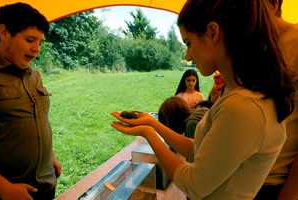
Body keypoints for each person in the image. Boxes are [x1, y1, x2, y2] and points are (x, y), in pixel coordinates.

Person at [111, 0, 296, 199]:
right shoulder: (237, 94)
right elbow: (198, 150)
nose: (188, 56)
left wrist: (150, 133)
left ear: (212, 33)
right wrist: (151, 125)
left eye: (189, 43)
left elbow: (193, 184)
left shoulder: (243, 106)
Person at [0, 3, 61, 200]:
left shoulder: (34, 75)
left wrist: (50, 157)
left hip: (45, 185)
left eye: (40, 42)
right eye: (30, 40)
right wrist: (5, 190)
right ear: (3, 32)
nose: (36, 49)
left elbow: (39, 119)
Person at [254, 0, 298, 199]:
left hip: (276, 183)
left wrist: (290, 192)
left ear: (271, 3)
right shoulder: (254, 48)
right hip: (243, 179)